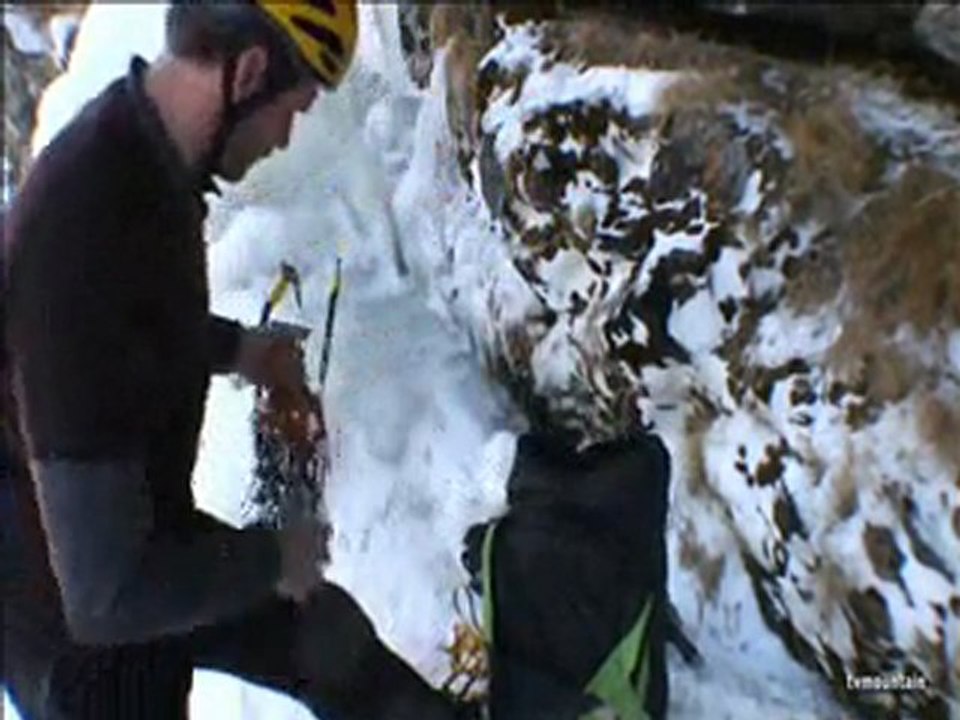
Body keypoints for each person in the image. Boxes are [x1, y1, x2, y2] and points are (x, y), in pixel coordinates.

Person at [2, 2, 462, 718]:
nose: (286, 138)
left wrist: (240, 350)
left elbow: (126, 318)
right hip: (81, 624)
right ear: (248, 73)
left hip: (135, 541)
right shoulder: (83, 225)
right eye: (294, 109)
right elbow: (106, 597)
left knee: (328, 639)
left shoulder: (139, 152)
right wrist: (275, 558)